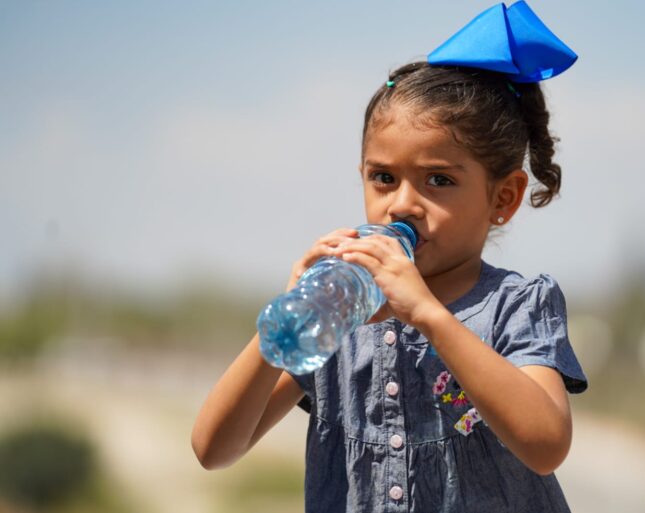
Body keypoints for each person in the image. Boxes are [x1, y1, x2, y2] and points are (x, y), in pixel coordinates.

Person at [192, 2, 588, 511]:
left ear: (502, 199)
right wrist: (289, 319)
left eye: (439, 180)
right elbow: (213, 448)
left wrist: (427, 314)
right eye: (384, 177)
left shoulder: (515, 306)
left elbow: (546, 443)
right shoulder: (341, 319)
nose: (401, 203)